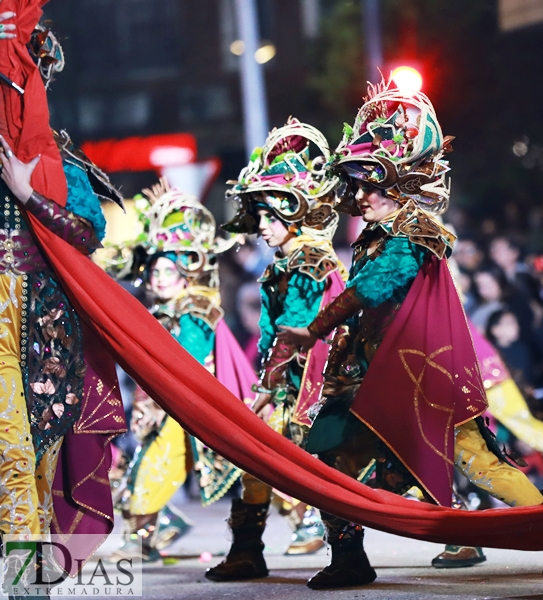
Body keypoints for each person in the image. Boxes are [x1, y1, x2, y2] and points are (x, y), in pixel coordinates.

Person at [282, 82, 543, 589]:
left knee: (479, 461)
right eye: (357, 183)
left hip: (420, 375)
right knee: (328, 466)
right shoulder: (377, 233)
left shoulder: (414, 233)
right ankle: (350, 559)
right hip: (369, 376)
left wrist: (314, 329)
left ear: (400, 183)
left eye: (371, 183)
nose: (360, 196)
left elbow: (374, 287)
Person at [0, 15, 129, 589]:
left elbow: (88, 232)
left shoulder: (60, 165)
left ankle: (27, 564)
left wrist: (30, 193)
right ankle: (22, 569)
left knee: (37, 452)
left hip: (45, 326)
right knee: (9, 448)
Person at [205, 119, 348, 582]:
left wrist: (266, 387)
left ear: (295, 213)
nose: (261, 228)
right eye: (258, 216)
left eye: (269, 217)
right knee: (258, 463)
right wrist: (266, 384)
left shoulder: (309, 262)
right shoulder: (285, 263)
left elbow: (294, 333)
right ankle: (248, 551)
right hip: (289, 388)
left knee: (337, 473)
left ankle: (451, 529)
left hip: (318, 388)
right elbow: (273, 338)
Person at [97, 179, 250, 561]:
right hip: (162, 402)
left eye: (169, 270)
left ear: (186, 273)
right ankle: (153, 531)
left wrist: (161, 397)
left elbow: (188, 360)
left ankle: (304, 520)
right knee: (139, 467)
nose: (161, 278)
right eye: (155, 272)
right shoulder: (158, 312)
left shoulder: (195, 308)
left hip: (185, 404)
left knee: (157, 466)